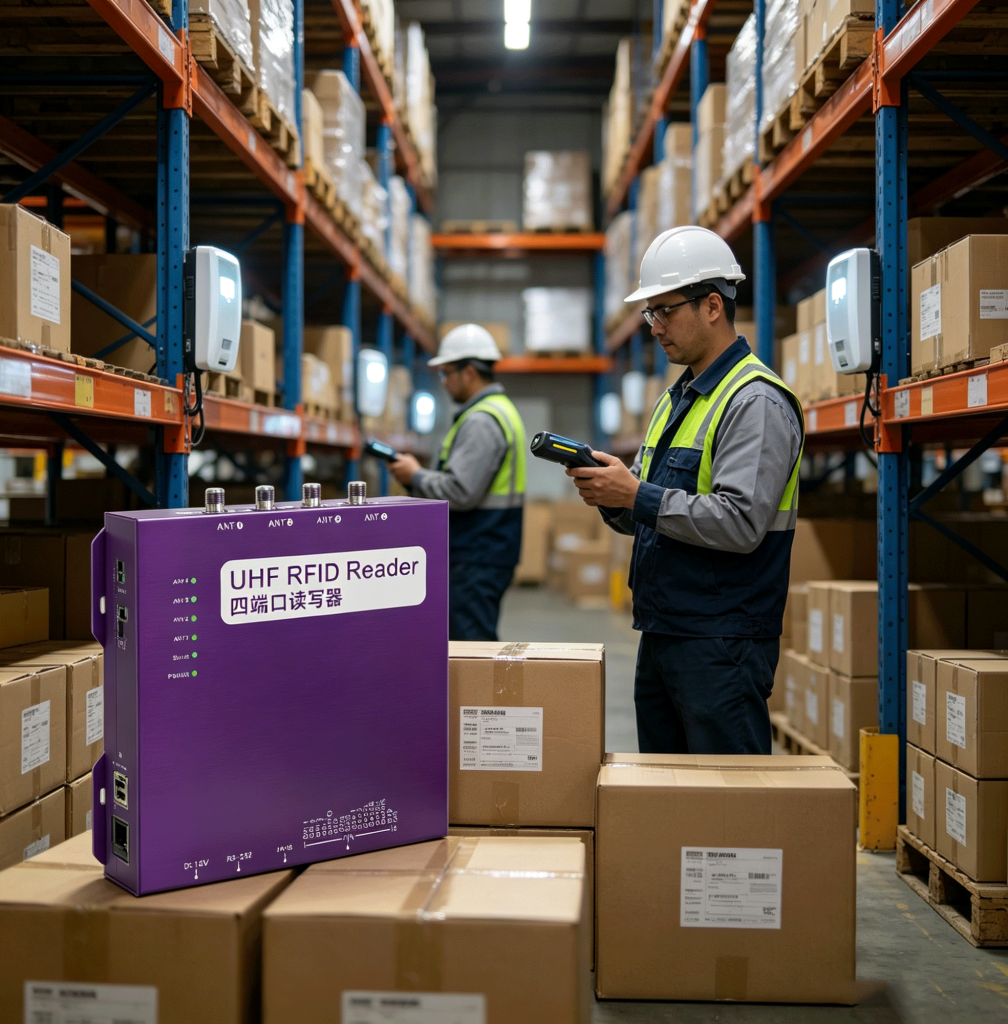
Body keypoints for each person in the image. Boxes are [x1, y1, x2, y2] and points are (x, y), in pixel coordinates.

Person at [567, 226, 804, 755]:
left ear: (713, 306)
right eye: (650, 314)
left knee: (727, 808)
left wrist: (635, 496)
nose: (654, 327)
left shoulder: (754, 402)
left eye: (664, 311)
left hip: (723, 643)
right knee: (668, 799)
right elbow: (652, 510)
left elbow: (740, 522)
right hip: (667, 630)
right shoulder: (678, 399)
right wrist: (612, 495)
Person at [390, 323, 526, 641]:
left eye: (446, 373)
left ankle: (480, 695)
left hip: (477, 553)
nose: (444, 382)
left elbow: (461, 492)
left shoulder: (482, 420)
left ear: (468, 372)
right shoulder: (499, 410)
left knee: (472, 647)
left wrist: (415, 475)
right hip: (487, 549)